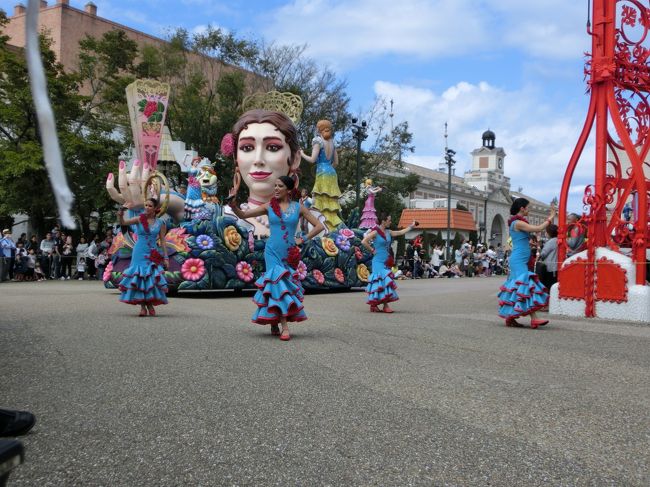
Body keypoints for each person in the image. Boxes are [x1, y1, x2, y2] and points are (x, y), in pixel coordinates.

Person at [229, 115, 325, 340]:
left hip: (290, 251)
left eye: (280, 186)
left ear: (289, 188)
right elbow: (243, 214)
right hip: (272, 250)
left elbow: (319, 225)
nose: (276, 189)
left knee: (285, 287)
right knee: (277, 283)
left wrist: (304, 239)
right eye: (275, 186)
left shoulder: (298, 208)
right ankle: (284, 327)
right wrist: (233, 203)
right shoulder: (267, 206)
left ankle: (274, 320)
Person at [226, 110, 302, 237]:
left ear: (295, 159)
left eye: (272, 147)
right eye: (247, 148)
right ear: (236, 159)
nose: (258, 160)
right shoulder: (224, 218)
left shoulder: (308, 222)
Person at [498, 198, 556, 328]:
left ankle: (510, 317)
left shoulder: (518, 222)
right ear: (522, 208)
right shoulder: (518, 223)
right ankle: (534, 318)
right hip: (518, 259)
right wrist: (551, 217)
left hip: (520, 258)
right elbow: (538, 228)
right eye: (528, 207)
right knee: (526, 285)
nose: (529, 210)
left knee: (517, 288)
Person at [117, 198, 169, 317]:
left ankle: (150, 304)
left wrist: (166, 257)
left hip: (152, 252)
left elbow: (162, 240)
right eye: (145, 205)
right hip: (139, 251)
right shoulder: (139, 219)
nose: (146, 207)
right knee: (139, 277)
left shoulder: (161, 223)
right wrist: (120, 216)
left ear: (155, 208)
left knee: (151, 277)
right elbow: (124, 223)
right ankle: (142, 307)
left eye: (150, 206)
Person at [361, 213, 417, 313]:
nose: (390, 222)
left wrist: (411, 226)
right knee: (382, 281)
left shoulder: (388, 232)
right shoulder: (375, 232)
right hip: (377, 261)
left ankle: (374, 305)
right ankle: (385, 305)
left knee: (383, 282)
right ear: (383, 221)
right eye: (389, 220)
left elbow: (400, 232)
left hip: (386, 260)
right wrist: (372, 250)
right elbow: (364, 241)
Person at [300, 119, 343, 230]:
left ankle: (321, 227)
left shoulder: (318, 141)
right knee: (329, 202)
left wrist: (302, 154)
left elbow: (312, 159)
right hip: (332, 173)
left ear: (318, 129)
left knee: (320, 202)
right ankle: (331, 227)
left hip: (322, 173)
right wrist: (329, 170)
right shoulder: (332, 143)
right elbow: (336, 163)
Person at [539, 223, 558, 290]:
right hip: (556, 267)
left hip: (550, 268)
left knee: (548, 286)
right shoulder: (558, 239)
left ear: (550, 233)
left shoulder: (551, 242)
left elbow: (543, 254)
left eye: (546, 232)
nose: (545, 233)